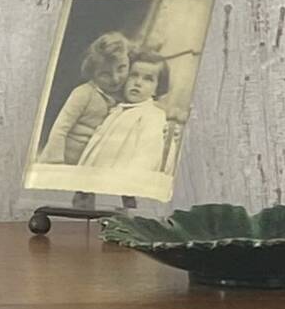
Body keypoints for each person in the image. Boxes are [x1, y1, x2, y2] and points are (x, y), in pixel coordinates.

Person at [76, 58, 180, 193]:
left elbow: (146, 160)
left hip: (116, 187)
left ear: (157, 88)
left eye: (148, 79)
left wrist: (123, 188)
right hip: (91, 184)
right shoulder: (117, 110)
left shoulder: (152, 115)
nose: (138, 83)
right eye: (133, 75)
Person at [40, 30, 135, 171]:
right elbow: (60, 129)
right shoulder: (84, 93)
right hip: (60, 164)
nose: (115, 79)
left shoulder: (123, 96)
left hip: (87, 167)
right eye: (105, 74)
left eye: (121, 68)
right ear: (92, 73)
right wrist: (56, 163)